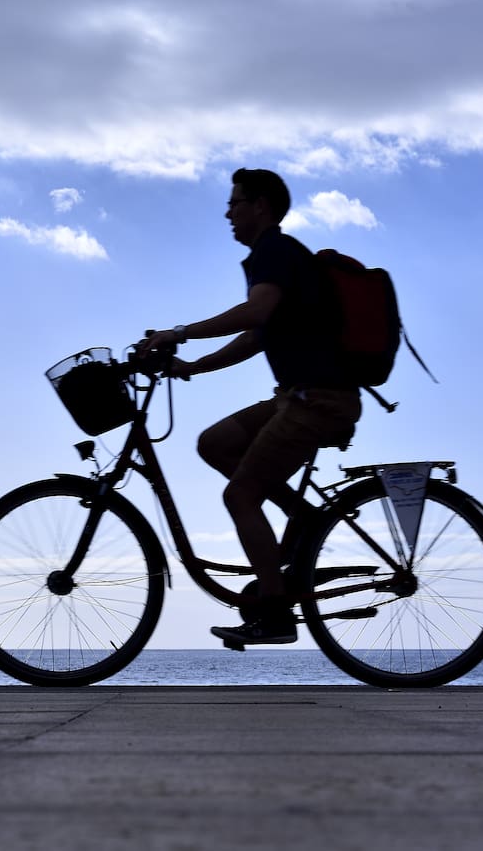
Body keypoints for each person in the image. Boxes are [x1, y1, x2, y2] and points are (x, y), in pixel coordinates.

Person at [142, 168, 362, 645]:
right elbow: (258, 336)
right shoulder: (276, 257)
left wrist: (178, 332)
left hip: (317, 401)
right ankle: (302, 518)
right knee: (215, 443)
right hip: (297, 397)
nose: (228, 212)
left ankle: (276, 611)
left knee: (240, 496)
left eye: (235, 202)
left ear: (260, 205)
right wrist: (193, 367)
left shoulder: (274, 252)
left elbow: (255, 314)